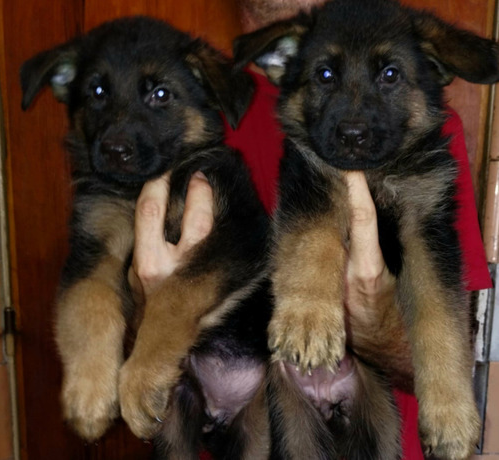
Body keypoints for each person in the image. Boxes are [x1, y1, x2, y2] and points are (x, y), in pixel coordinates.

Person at [129, 1, 492, 458]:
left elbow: (446, 296)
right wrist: (155, 314)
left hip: (379, 433)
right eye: (325, 77)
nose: (355, 119)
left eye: (390, 77)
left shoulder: (430, 137)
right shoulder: (175, 123)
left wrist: (380, 330)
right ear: (283, 63)